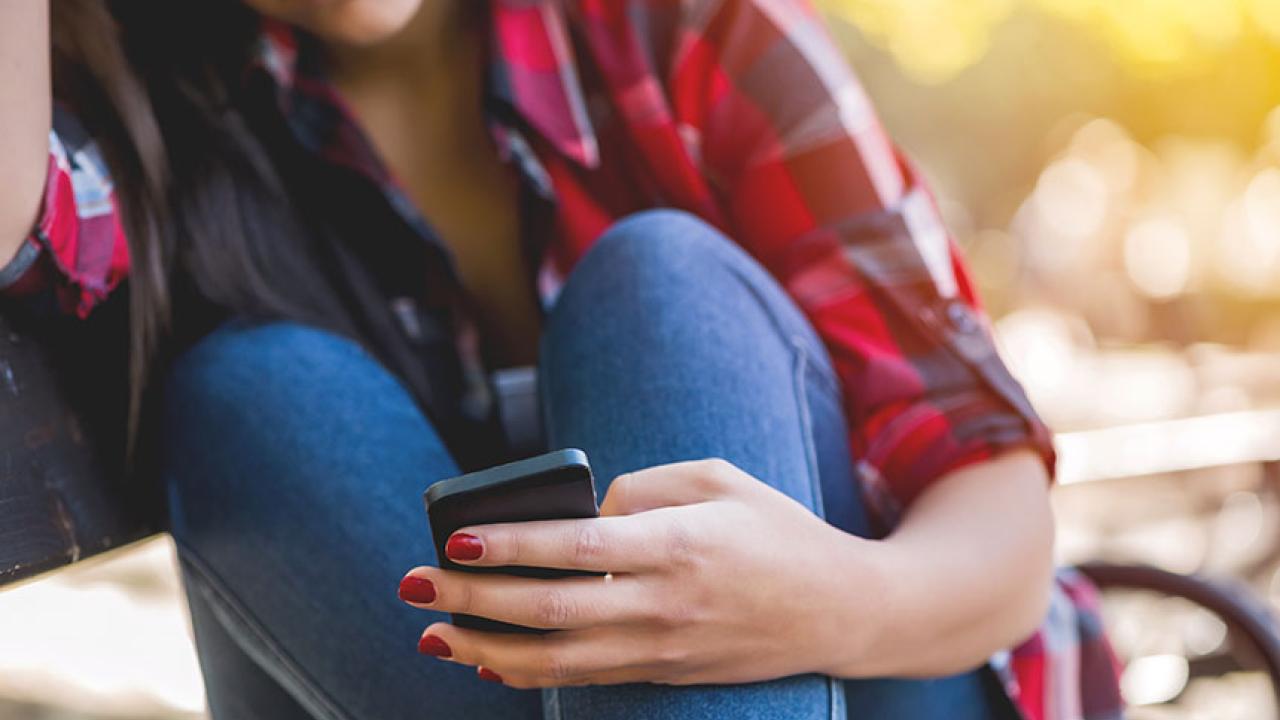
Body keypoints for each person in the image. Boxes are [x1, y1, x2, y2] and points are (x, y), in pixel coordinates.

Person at [0, 1, 1122, 718]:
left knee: (660, 282)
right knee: (246, 394)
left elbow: (1003, 525)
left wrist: (817, 605)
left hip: (895, 669)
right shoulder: (175, 113)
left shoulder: (693, 29)